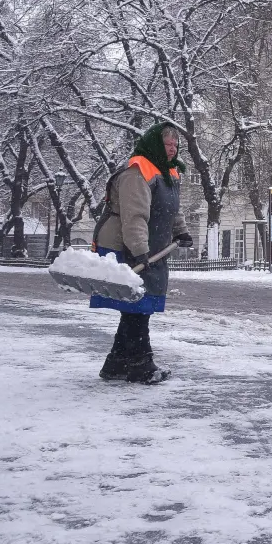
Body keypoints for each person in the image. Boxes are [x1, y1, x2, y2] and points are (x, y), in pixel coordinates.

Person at [91, 124, 192, 384]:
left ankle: (116, 363)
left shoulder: (167, 173)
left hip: (152, 248)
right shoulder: (139, 172)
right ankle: (141, 365)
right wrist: (139, 251)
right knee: (138, 305)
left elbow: (171, 209)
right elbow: (134, 216)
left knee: (137, 306)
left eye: (175, 145)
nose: (172, 149)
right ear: (154, 145)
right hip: (128, 245)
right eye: (167, 144)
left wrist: (180, 231)